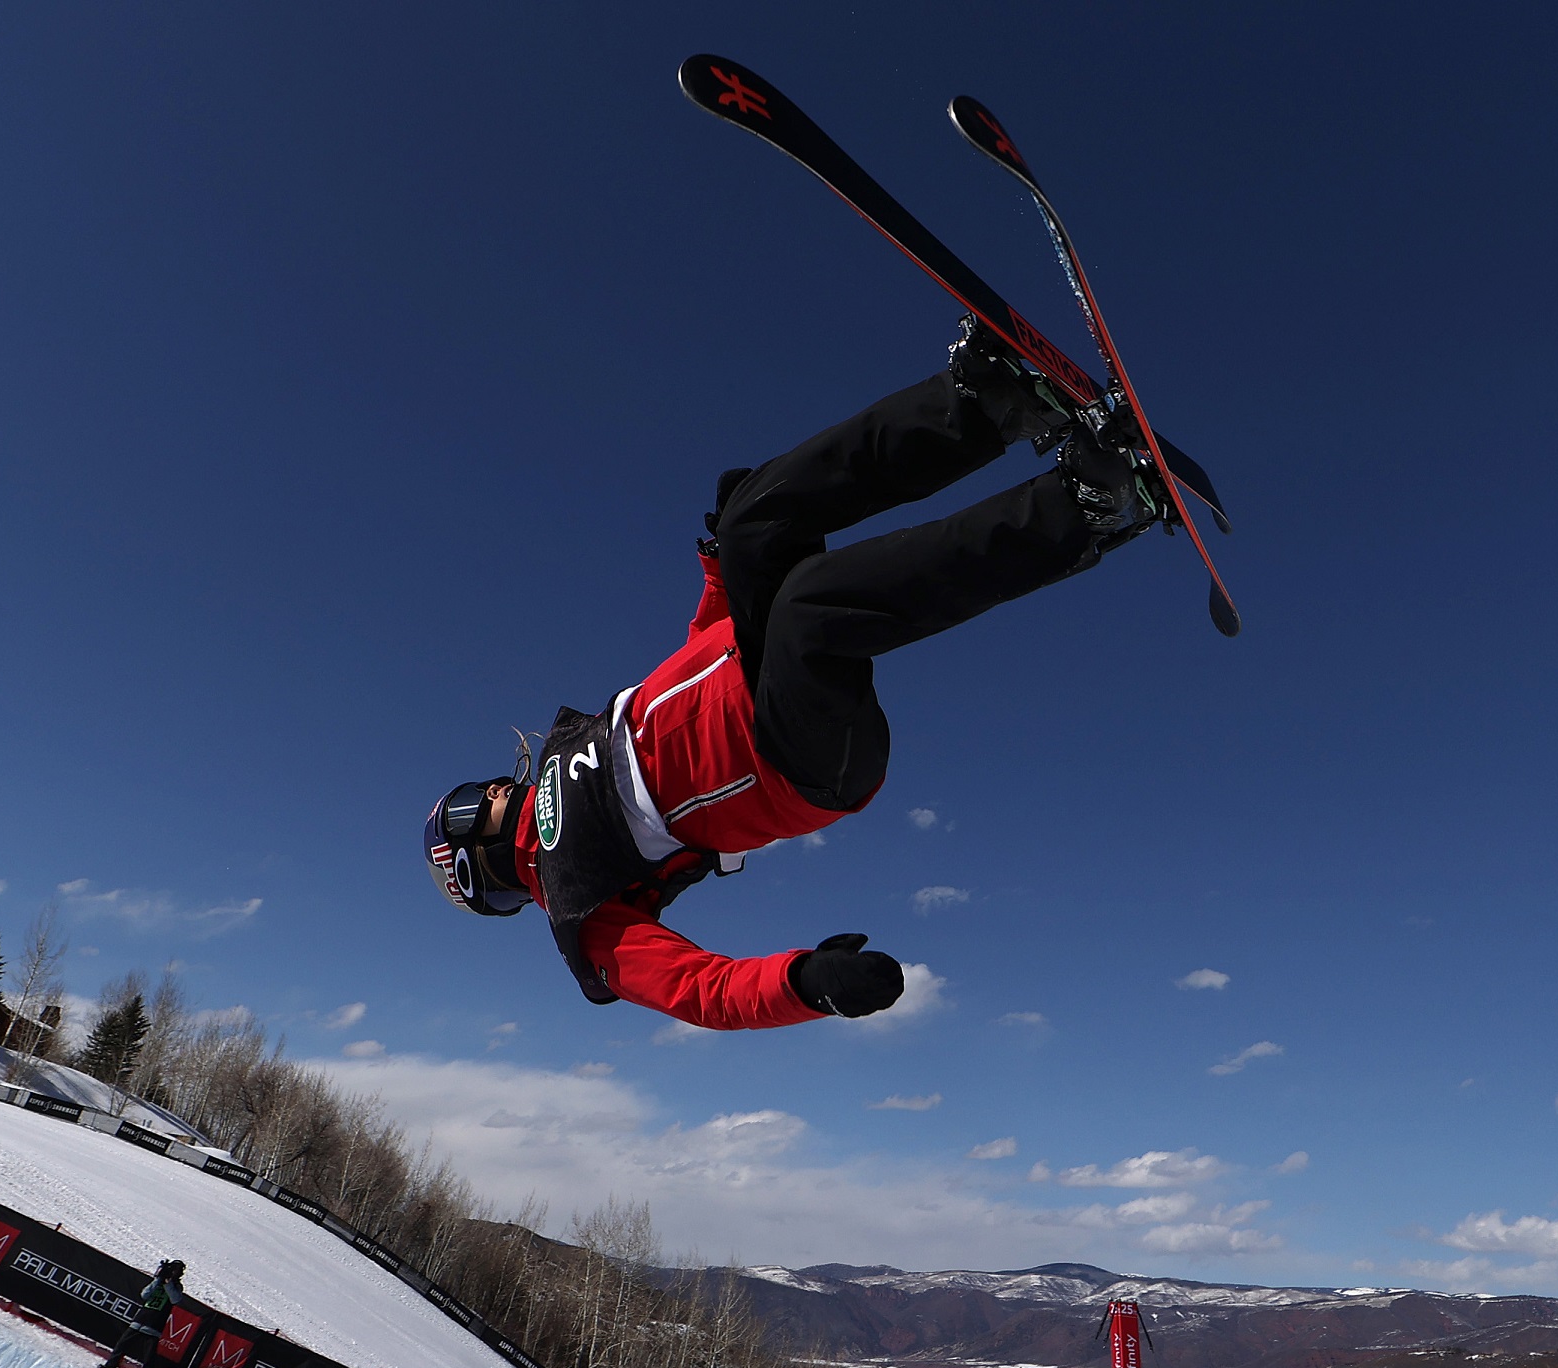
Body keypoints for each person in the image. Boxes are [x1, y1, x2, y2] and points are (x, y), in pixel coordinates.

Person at [423, 319, 1166, 1032]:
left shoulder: (565, 750)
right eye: (470, 804)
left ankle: (982, 403)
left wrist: (720, 567)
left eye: (476, 786)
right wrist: (804, 982)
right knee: (811, 609)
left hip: (748, 670)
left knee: (755, 518)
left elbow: (680, 673)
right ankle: (1087, 509)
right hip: (789, 761)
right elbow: (697, 989)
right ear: (476, 865)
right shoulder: (580, 908)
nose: (489, 788)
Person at [100, 1258, 185, 1368]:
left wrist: (168, 1283)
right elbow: (144, 1294)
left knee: (149, 1358)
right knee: (121, 1346)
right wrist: (158, 1279)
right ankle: (109, 1366)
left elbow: (175, 1299)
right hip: (140, 1320)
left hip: (154, 1325)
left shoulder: (177, 1286)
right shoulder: (158, 1282)